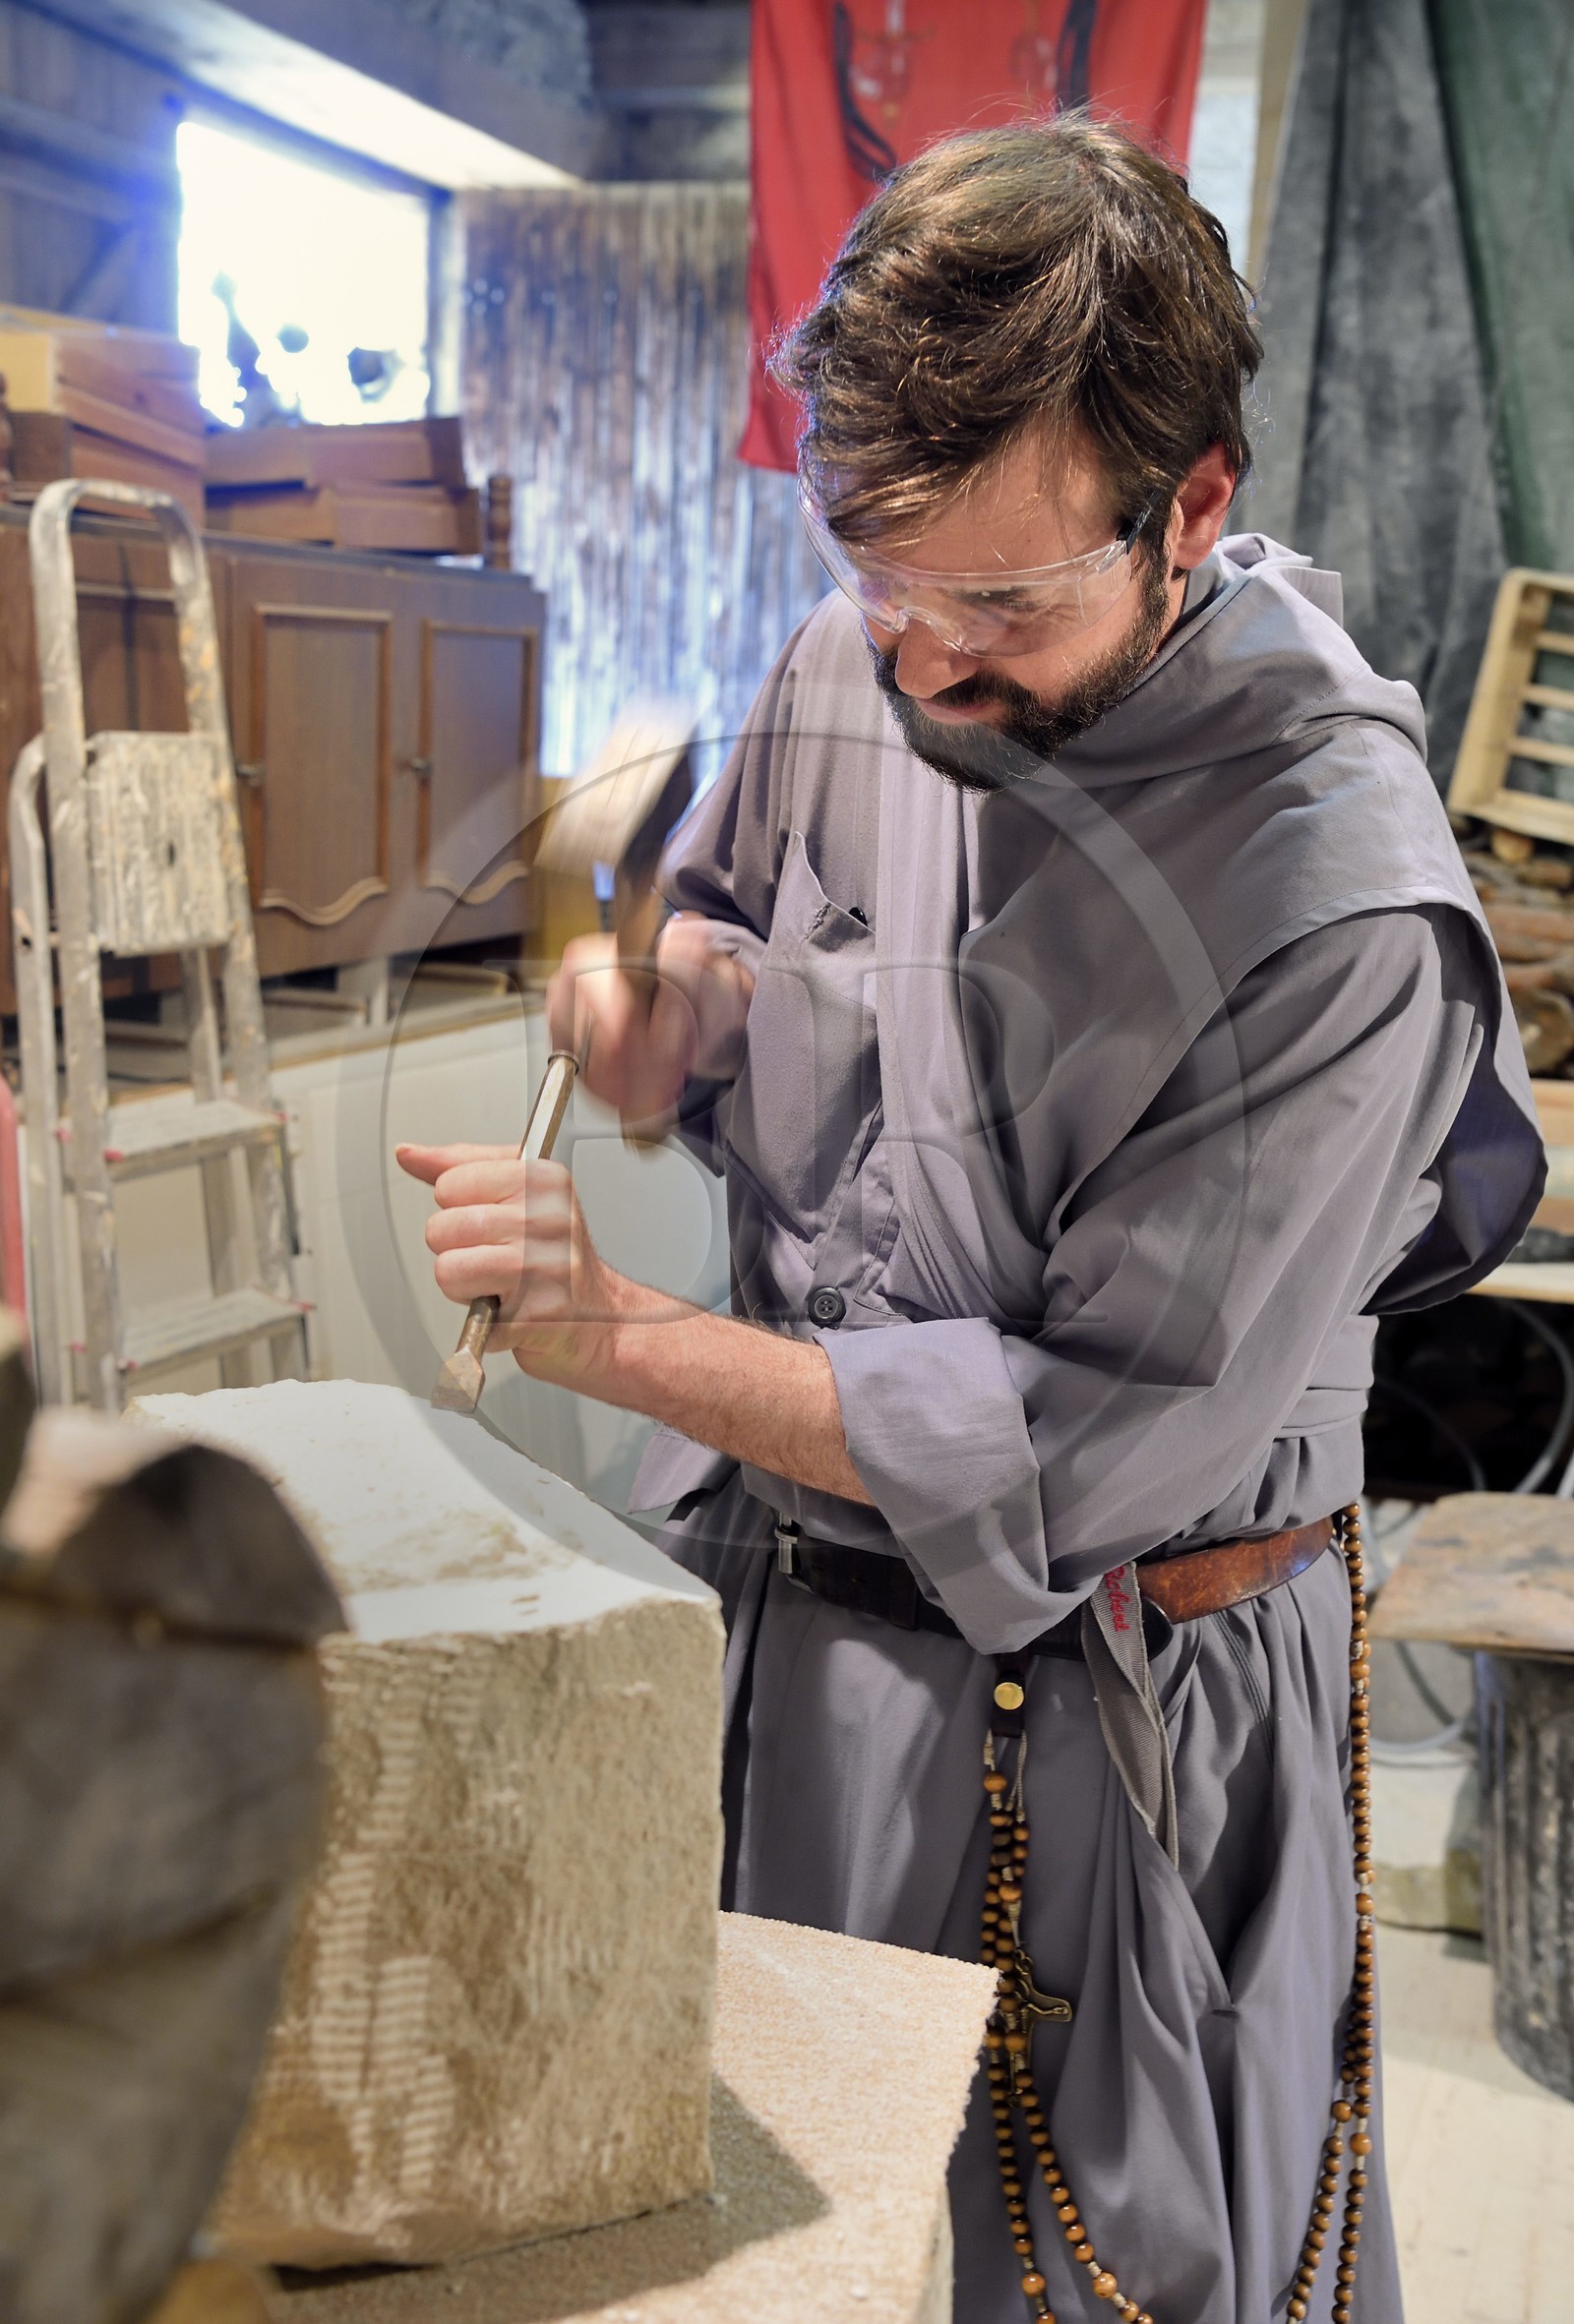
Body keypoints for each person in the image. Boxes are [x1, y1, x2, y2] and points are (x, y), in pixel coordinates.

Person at [398, 118, 1541, 2324]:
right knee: (776, 2225)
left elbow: (1089, 1444)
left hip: (1113, 1703)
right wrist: (670, 1028)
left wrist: (614, 1335)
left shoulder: (1331, 900)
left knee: (1087, 2261)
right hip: (788, 1647)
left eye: (999, 603)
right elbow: (743, 927)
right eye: (869, 573)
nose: (916, 665)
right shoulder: (877, 647)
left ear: (1186, 502)